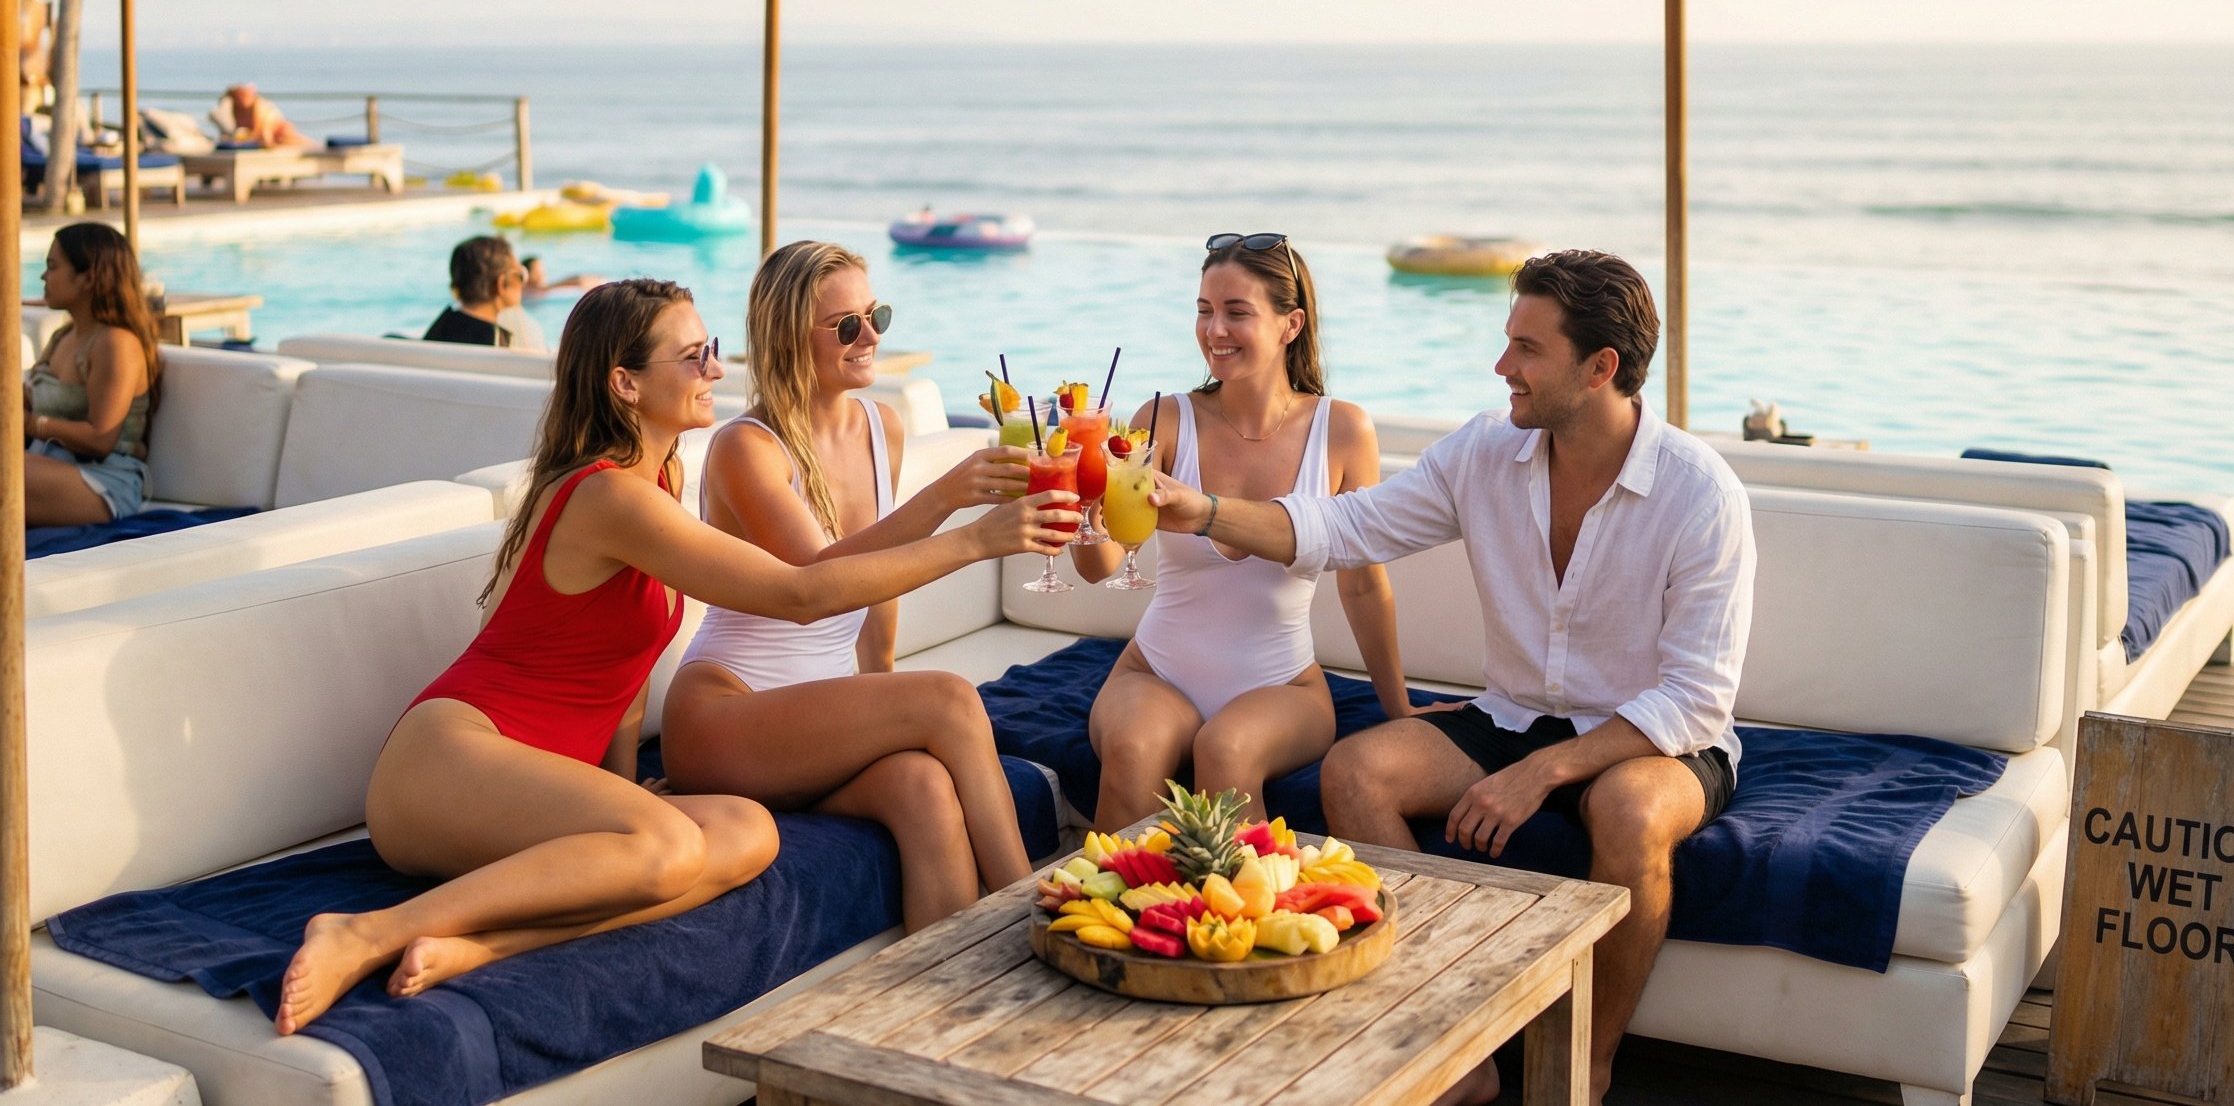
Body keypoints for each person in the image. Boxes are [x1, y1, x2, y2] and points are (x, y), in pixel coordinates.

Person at [275, 278, 1081, 1035]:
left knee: (747, 833)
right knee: (669, 846)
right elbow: (801, 594)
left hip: (536, 779)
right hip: (451, 761)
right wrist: (975, 540)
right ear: (626, 383)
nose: (714, 369)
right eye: (692, 357)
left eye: (712, 347)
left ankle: (480, 945)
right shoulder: (608, 495)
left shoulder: (654, 480)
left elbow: (624, 679)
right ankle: (368, 930)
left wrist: (620, 785)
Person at [1144, 250, 1753, 1106]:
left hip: (1651, 734)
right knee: (1357, 769)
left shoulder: (1700, 493)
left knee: (1627, 808)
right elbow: (1346, 527)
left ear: (1600, 368)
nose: (1502, 366)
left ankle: (1588, 1065)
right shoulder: (1484, 453)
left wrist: (1540, 773)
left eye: (1526, 349)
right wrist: (1203, 510)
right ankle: (1441, 1047)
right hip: (1514, 715)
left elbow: (1695, 700)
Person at [663, 242, 1042, 931]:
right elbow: (818, 583)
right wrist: (949, 504)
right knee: (951, 698)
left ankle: (946, 1001)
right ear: (788, 338)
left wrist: (885, 692)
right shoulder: (747, 448)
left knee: (924, 787)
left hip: (814, 717)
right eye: (846, 326)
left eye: (877, 316)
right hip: (727, 714)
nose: (870, 338)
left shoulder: (881, 426)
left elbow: (879, 581)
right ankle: (1037, 916)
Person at [1072, 233, 1416, 834]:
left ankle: (1247, 923)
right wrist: (1084, 508)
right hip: (1153, 673)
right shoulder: (1164, 419)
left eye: (1237, 312)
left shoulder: (1342, 430)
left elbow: (1363, 586)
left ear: (1291, 324)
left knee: (1226, 751)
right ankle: (1106, 921)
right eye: (1205, 310)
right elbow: (1101, 566)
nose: (1214, 330)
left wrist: (1400, 710)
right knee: (1133, 749)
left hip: (1282, 686)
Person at [24, 223, 159, 526]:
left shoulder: (115, 343)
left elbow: (101, 439)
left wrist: (31, 424)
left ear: (88, 277)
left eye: (52, 266)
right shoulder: (64, 336)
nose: (43, 276)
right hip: (49, 465)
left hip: (103, 480)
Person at [425, 236, 530, 348]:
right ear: (501, 284)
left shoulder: (440, 327)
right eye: (520, 276)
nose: (523, 284)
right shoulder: (498, 342)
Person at [211, 83, 317, 150]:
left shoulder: (260, 107)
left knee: (302, 143)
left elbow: (266, 133)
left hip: (277, 137)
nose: (243, 99)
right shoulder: (235, 110)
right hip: (260, 142)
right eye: (239, 96)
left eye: (244, 95)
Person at [523, 257, 608, 299]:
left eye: (542, 269)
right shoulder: (527, 292)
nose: (542, 273)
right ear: (528, 273)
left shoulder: (538, 290)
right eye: (537, 270)